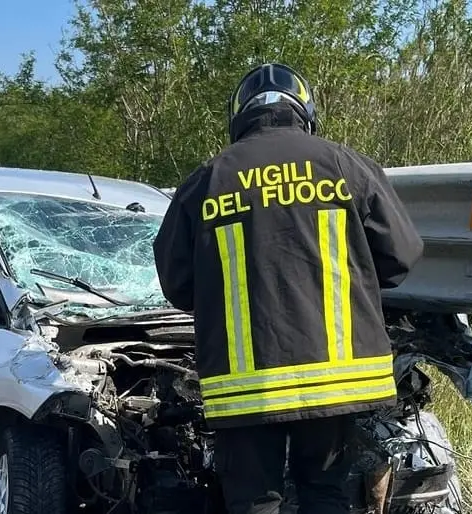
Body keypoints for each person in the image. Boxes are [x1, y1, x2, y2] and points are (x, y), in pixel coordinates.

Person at [152, 63, 424, 514]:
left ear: (239, 115)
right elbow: (401, 256)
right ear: (305, 111)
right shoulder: (345, 166)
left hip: (244, 387)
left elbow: (177, 284)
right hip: (339, 379)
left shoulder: (208, 180)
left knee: (254, 503)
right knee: (326, 494)